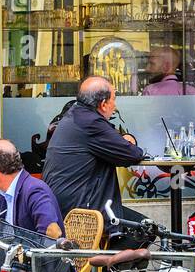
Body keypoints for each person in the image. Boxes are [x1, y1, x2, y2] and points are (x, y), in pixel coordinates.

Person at [41, 76, 145, 219]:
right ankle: (106, 240)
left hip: (62, 204)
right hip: (81, 210)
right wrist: (130, 139)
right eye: (114, 100)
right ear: (103, 104)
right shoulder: (91, 123)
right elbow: (132, 154)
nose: (115, 106)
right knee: (146, 227)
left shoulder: (75, 115)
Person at [0, 138, 66, 272]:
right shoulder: (7, 192)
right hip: (14, 270)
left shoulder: (35, 190)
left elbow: (52, 233)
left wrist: (25, 260)